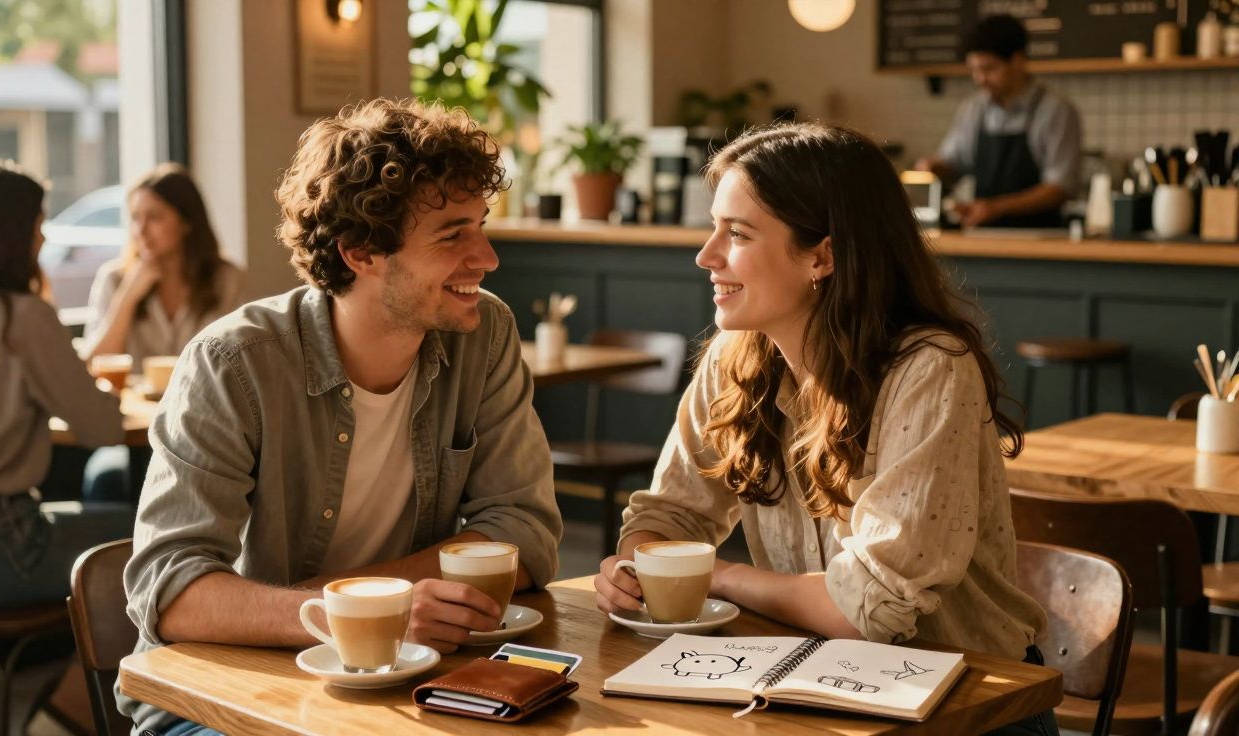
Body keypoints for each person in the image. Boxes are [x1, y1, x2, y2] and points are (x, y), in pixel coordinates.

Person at [118, 99, 563, 736]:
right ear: (360, 252)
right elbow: (171, 592)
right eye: (453, 235)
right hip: (222, 695)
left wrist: (376, 607)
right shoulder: (233, 363)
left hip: (410, 678)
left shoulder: (484, 332)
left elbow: (525, 530)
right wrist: (366, 613)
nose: (487, 257)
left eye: (481, 226)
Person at [593, 123, 1055, 735]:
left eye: (737, 233)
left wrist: (714, 576)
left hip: (969, 706)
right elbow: (669, 517)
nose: (706, 255)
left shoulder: (929, 369)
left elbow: (869, 608)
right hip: (816, 690)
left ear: (822, 256)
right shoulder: (735, 358)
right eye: (714, 228)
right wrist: (634, 572)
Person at [0, 159, 134, 607]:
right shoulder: (20, 318)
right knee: (156, 533)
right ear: (11, 235)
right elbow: (104, 430)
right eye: (37, 224)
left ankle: (68, 680)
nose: (42, 238)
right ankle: (96, 680)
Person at [80, 164, 244, 502]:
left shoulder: (226, 280)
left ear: (186, 222)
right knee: (105, 480)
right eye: (135, 218)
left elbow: (242, 363)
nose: (141, 230)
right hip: (136, 432)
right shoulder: (114, 279)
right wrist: (128, 296)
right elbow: (94, 364)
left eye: (154, 217)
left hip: (204, 430)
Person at [915, 14, 1082, 229]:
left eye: (989, 69)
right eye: (974, 70)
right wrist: (933, 168)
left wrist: (996, 208)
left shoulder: (1055, 111)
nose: (980, 79)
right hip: (982, 238)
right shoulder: (973, 109)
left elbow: (1061, 187)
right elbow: (954, 162)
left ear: (1018, 61)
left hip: (1040, 241)